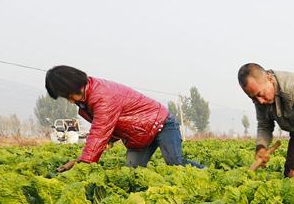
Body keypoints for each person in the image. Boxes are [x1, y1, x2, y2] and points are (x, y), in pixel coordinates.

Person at [44, 65, 202, 172]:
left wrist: (82, 163)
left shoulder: (102, 95)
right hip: (139, 134)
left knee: (176, 164)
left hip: (161, 124)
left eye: (67, 95)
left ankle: (208, 174)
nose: (70, 100)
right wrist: (110, 139)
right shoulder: (86, 99)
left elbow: (99, 130)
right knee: (132, 172)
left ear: (74, 85)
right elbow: (112, 124)